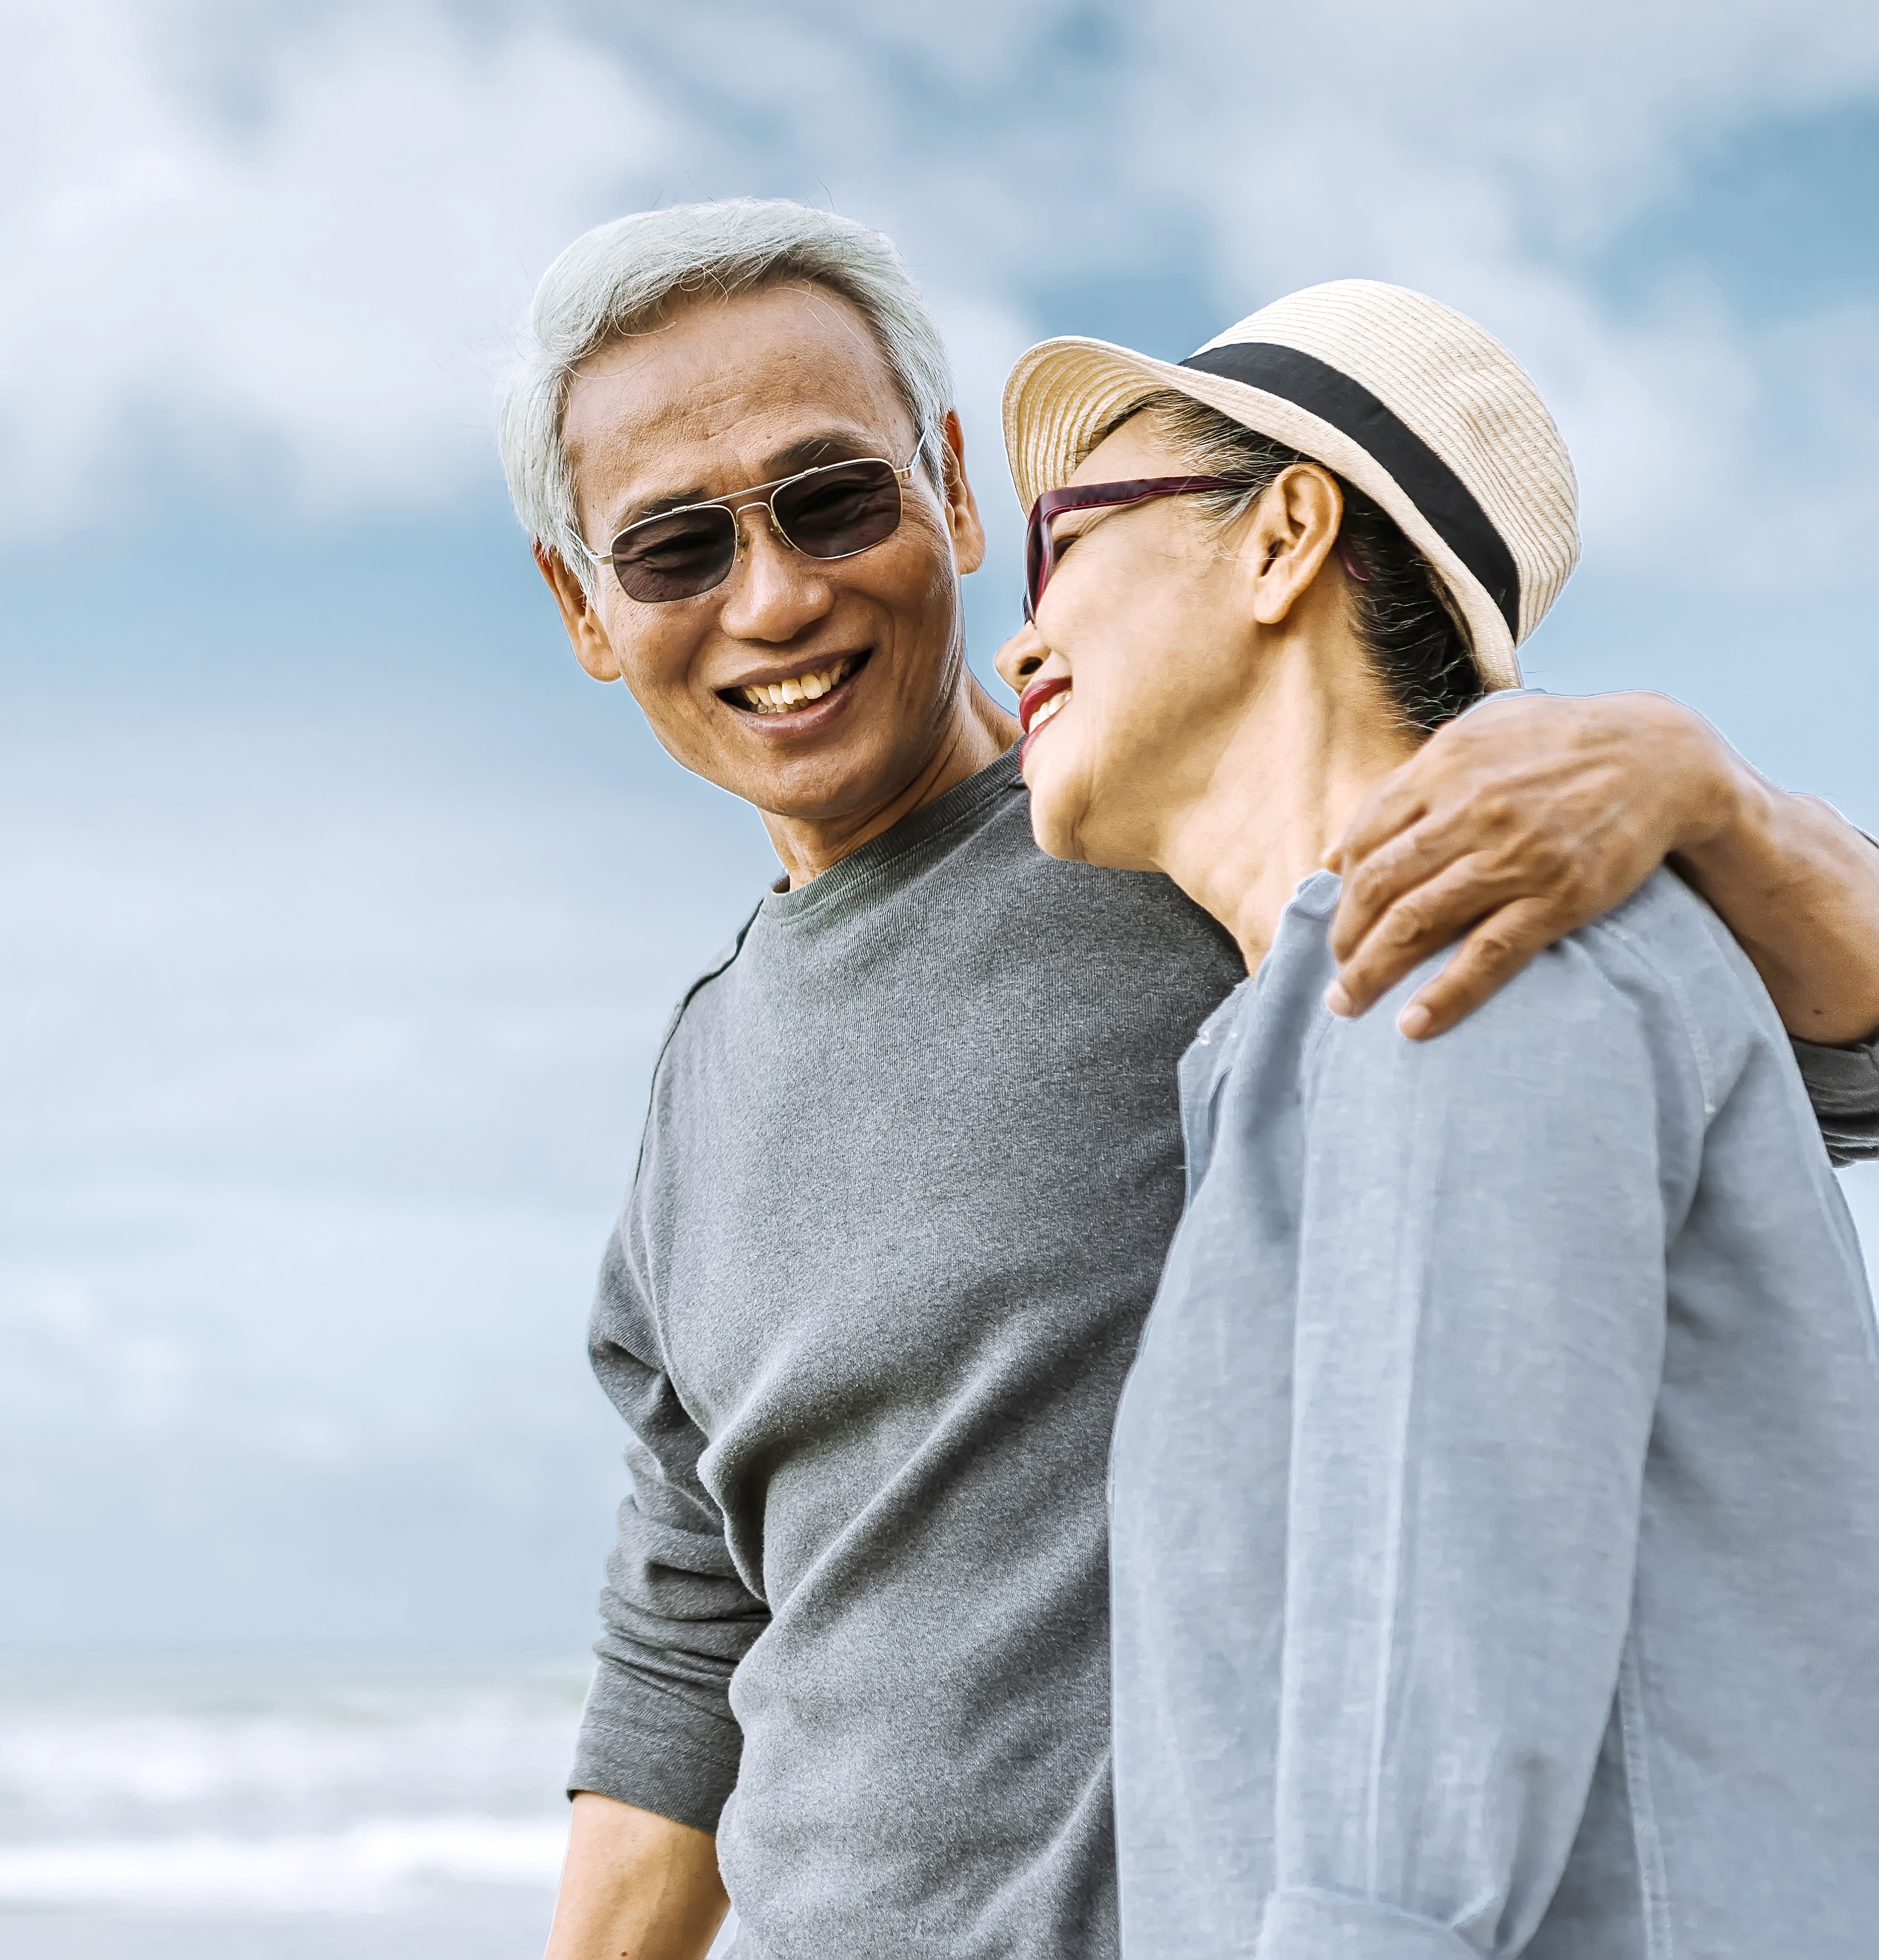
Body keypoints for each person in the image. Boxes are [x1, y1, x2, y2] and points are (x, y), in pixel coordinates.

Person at [500, 198, 1879, 1960]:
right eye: (676, 548)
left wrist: (1717, 795)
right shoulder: (702, 1083)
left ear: (950, 493)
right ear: (586, 607)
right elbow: (690, 1624)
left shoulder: (1270, 857)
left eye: (832, 500)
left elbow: (1772, 1068)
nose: (774, 597)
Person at [993, 281, 1879, 1957]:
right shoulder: (1329, 1023)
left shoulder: (1463, 936)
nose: (1017, 640)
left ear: (1283, 539)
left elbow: (1407, 1798)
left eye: (1064, 542)